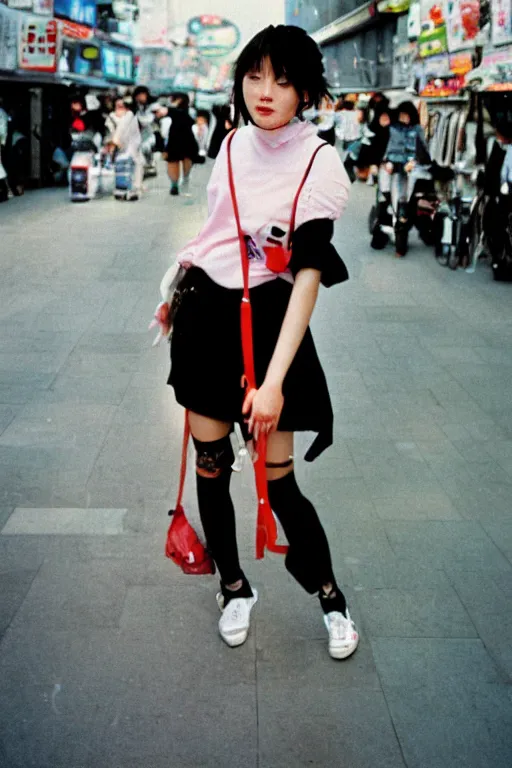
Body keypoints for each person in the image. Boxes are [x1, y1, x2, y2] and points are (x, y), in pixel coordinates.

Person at [157, 24, 359, 660]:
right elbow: (217, 232)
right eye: (254, 75)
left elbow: (307, 276)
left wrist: (273, 382)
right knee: (212, 473)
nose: (264, 91)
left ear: (305, 89)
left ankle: (331, 599)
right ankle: (233, 586)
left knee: (281, 482)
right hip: (207, 321)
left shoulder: (319, 161)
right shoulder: (232, 140)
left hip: (273, 323)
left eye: (282, 79)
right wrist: (176, 285)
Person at [105, 96, 144, 198]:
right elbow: (111, 133)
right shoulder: (111, 117)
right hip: (118, 148)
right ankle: (121, 189)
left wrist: (116, 140)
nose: (120, 108)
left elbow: (131, 133)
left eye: (122, 106)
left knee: (135, 165)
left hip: (132, 147)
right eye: (118, 106)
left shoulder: (130, 116)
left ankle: (135, 188)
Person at [165, 92, 198, 196]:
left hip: (187, 137)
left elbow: (192, 121)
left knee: (187, 159)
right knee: (173, 161)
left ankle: (185, 179)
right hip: (174, 138)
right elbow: (167, 112)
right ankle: (174, 184)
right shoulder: (171, 109)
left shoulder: (190, 111)